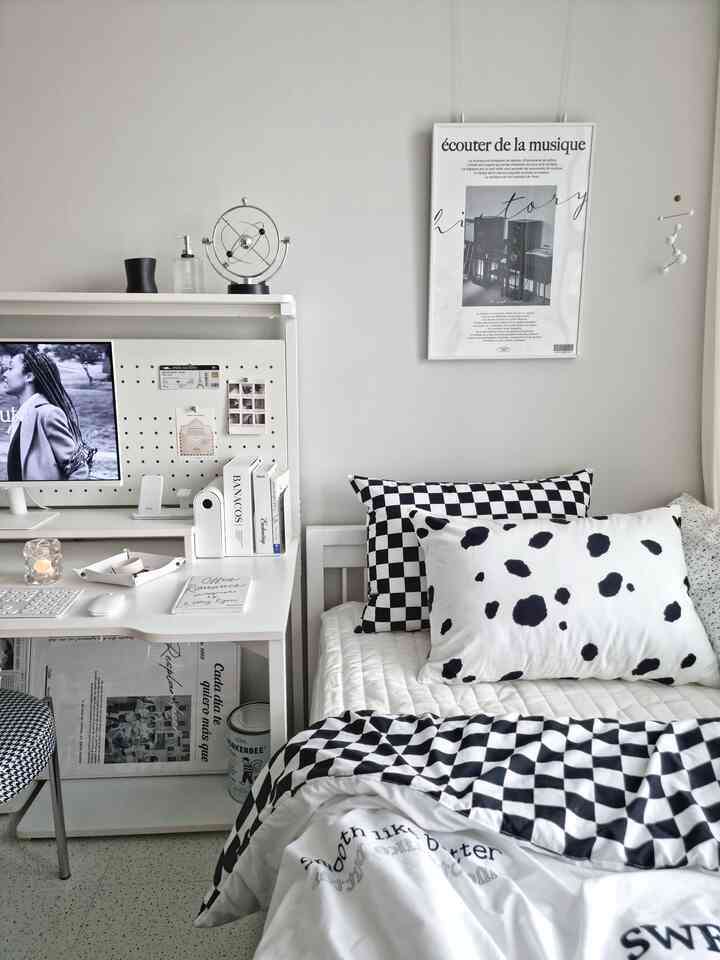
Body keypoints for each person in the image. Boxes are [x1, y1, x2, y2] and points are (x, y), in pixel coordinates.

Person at [2, 348, 93, 481]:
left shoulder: (48, 414)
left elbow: (79, 469)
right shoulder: (23, 416)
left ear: (29, 376)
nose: (5, 374)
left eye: (10, 368)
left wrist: (58, 500)